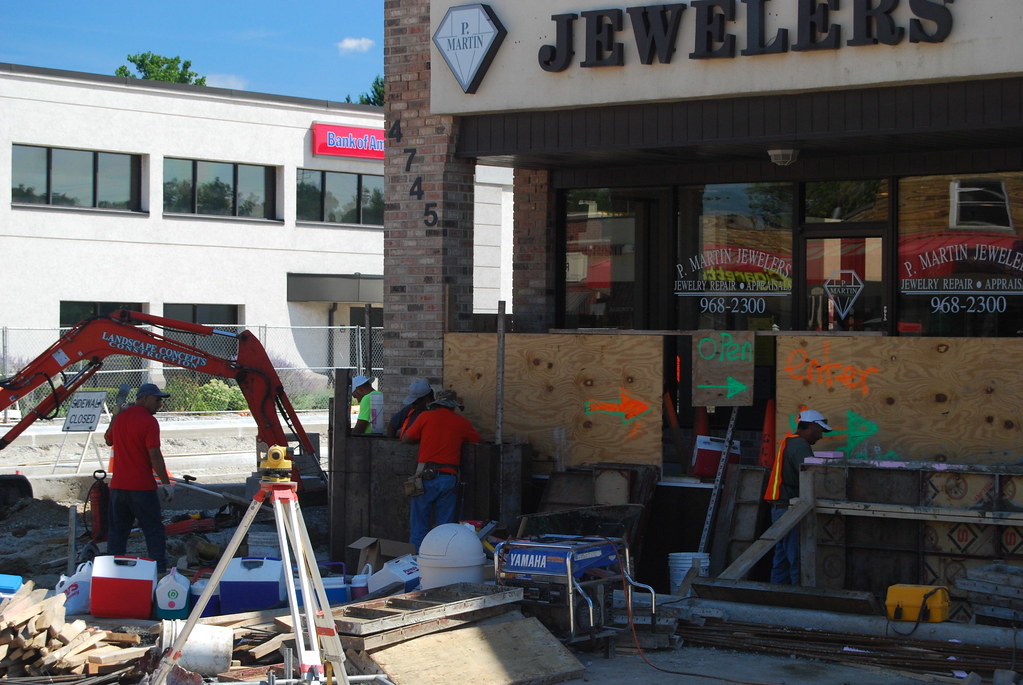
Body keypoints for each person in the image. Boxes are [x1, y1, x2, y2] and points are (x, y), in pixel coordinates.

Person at [103, 383, 175, 573]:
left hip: (118, 488)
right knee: (153, 530)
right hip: (141, 488)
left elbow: (108, 439)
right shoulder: (149, 422)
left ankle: (111, 572)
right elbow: (155, 455)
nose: (160, 404)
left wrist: (116, 415)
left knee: (118, 532)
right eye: (157, 399)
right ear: (143, 398)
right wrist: (166, 483)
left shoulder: (121, 418)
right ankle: (159, 570)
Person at [401, 389, 481, 551]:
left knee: (419, 525)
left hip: (425, 477)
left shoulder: (425, 417)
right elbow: (477, 440)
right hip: (449, 478)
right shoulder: (462, 423)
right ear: (453, 406)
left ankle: (417, 563)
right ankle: (441, 561)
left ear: (436, 404)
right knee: (444, 528)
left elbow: (406, 438)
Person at [763, 408, 832, 585]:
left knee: (782, 559)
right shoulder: (800, 445)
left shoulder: (789, 442)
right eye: (819, 431)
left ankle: (777, 597)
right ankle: (798, 598)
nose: (820, 437)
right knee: (796, 557)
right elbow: (808, 474)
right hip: (788, 508)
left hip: (780, 507)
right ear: (811, 426)